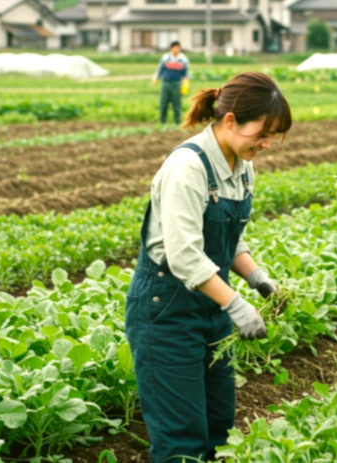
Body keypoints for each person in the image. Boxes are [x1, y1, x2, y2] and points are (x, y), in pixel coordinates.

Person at [125, 71, 293, 463]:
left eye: (274, 135)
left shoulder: (241, 165)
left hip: (210, 310)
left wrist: (258, 279)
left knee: (219, 429)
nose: (267, 144)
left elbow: (229, 241)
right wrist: (236, 305)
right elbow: (184, 255)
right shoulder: (189, 166)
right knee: (182, 439)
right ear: (231, 120)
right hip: (165, 311)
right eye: (262, 133)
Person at [153, 40, 190, 124]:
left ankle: (178, 122)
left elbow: (186, 74)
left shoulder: (183, 59)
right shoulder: (166, 58)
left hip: (176, 83)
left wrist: (185, 85)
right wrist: (156, 78)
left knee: (177, 104)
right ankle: (162, 122)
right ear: (171, 48)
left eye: (178, 48)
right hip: (166, 83)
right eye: (175, 47)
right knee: (163, 103)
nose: (177, 49)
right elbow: (160, 69)